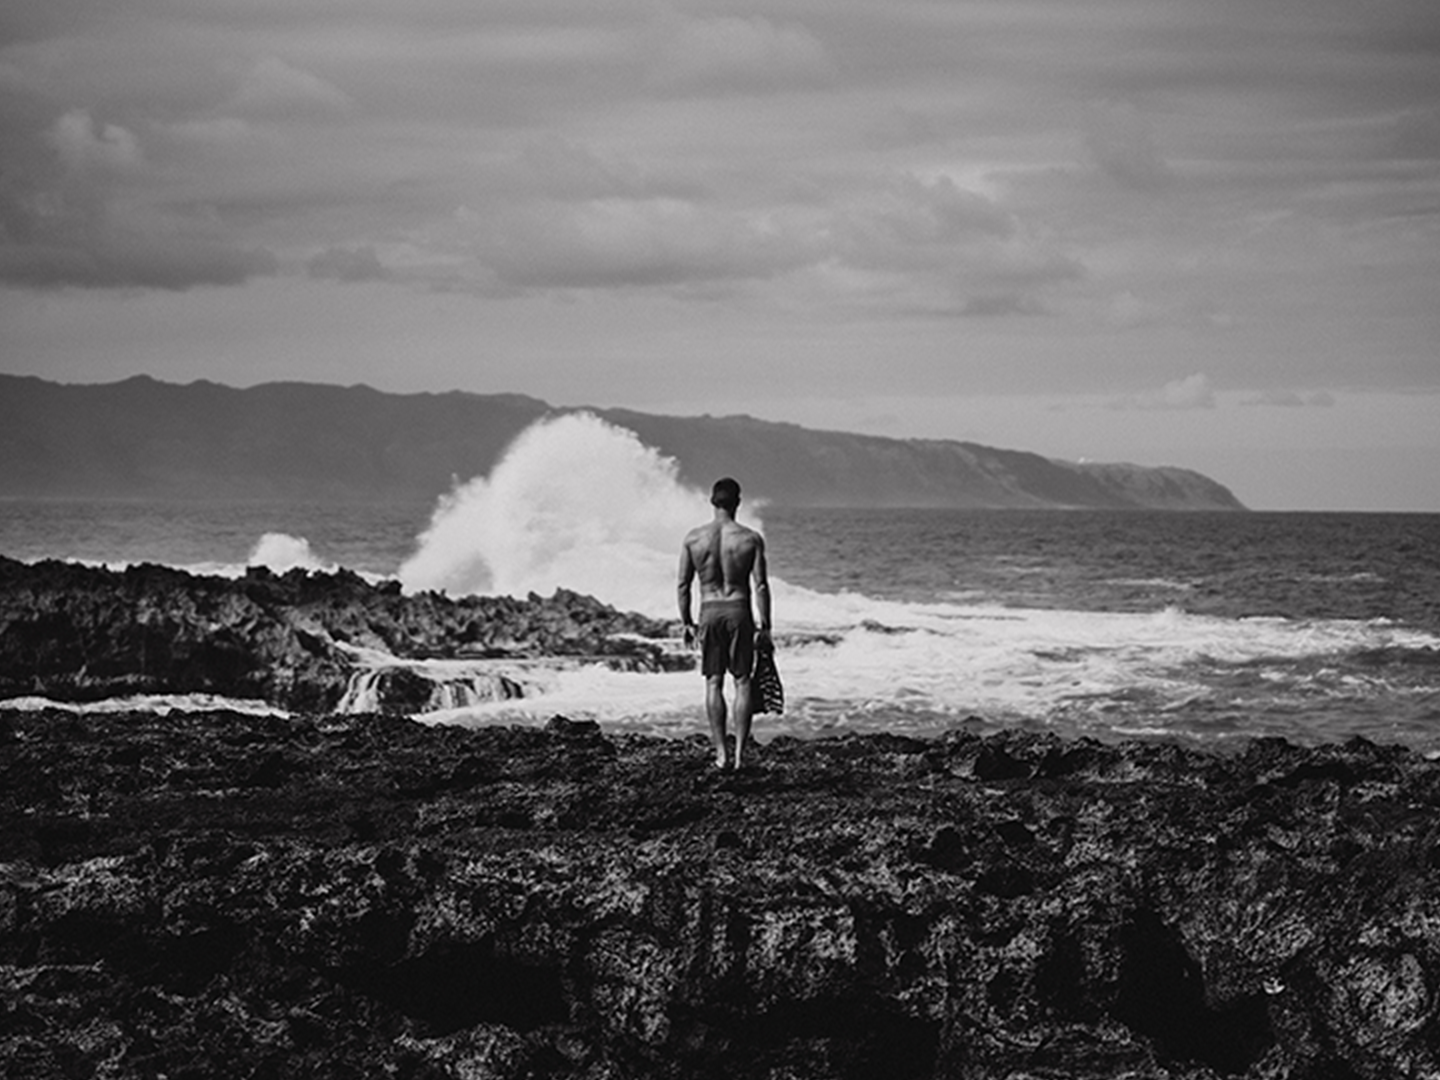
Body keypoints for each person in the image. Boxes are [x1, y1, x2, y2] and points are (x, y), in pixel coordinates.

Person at [678, 477, 771, 769]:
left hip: (709, 611)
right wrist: (765, 627)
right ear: (738, 502)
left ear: (711, 501)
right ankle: (741, 755)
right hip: (739, 611)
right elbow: (761, 586)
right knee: (742, 681)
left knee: (713, 681)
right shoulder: (750, 539)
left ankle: (721, 754)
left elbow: (683, 584)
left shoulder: (693, 539)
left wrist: (687, 622)